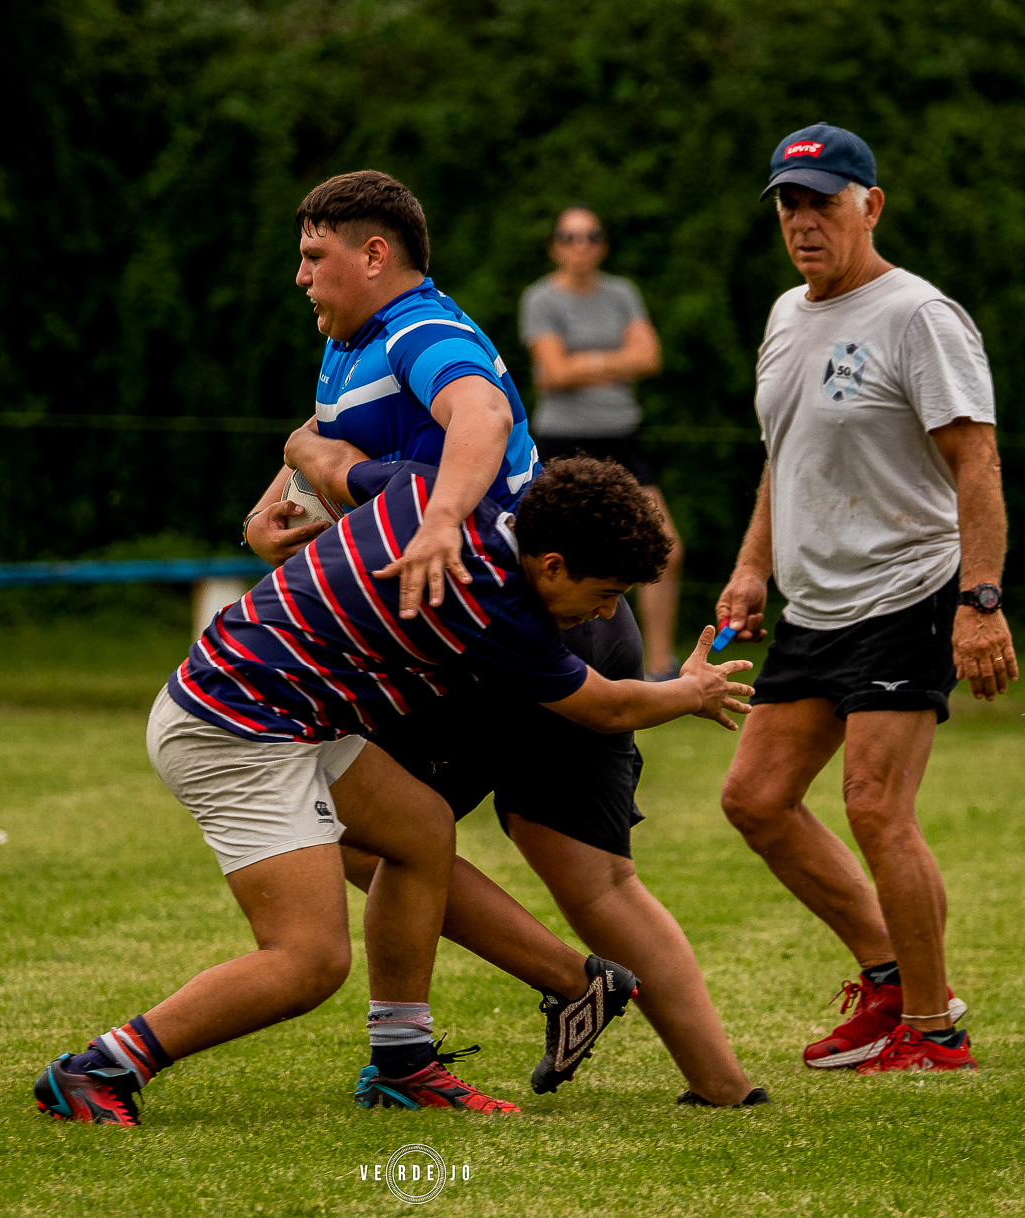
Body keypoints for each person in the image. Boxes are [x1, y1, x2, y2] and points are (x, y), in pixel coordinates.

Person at [35, 449, 757, 1125]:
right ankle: (100, 1070)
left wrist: (274, 505)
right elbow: (611, 707)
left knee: (420, 831)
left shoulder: (438, 487)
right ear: (553, 563)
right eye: (604, 595)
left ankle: (403, 1065)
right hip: (237, 730)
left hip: (278, 708)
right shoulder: (491, 606)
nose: (605, 614)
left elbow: (321, 455)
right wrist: (689, 691)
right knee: (308, 961)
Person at [244, 171, 764, 1108]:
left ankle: (658, 1050)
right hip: (497, 623)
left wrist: (439, 520)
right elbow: (316, 440)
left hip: (522, 621)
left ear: (375, 256)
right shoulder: (352, 344)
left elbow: (478, 414)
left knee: (476, 854)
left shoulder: (423, 330)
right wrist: (281, 498)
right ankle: (652, 1051)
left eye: (315, 257)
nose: (301, 277)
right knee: (403, 839)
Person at [715, 124, 1018, 1075]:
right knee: (756, 799)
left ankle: (934, 1033)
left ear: (869, 206)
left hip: (909, 590)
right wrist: (753, 567)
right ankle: (886, 981)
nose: (804, 222)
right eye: (790, 206)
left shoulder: (919, 316)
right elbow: (786, 457)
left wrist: (981, 598)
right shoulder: (783, 315)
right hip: (814, 606)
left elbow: (975, 458)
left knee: (874, 805)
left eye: (824, 203)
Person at [520, 206, 683, 678]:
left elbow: (650, 356)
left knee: (666, 546)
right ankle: (548, 658)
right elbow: (552, 372)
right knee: (549, 556)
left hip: (621, 437)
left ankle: (658, 669)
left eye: (591, 236)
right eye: (569, 237)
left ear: (603, 244)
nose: (581, 246)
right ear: (554, 246)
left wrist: (582, 364)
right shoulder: (540, 298)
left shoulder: (622, 293)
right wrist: (616, 361)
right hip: (561, 440)